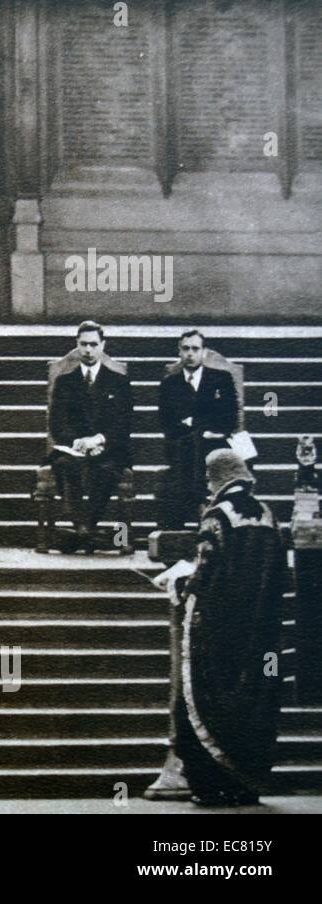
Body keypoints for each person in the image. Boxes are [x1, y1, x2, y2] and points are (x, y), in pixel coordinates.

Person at [169, 450, 286, 806]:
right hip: (260, 630)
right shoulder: (268, 515)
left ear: (217, 477)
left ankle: (210, 784)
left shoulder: (216, 516)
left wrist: (180, 586)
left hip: (220, 631)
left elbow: (205, 571)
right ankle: (246, 781)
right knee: (253, 702)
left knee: (203, 699)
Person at [46, 321, 133, 552]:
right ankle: (85, 530)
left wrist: (98, 440)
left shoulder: (119, 381)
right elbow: (57, 423)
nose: (88, 350)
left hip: (107, 448)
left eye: (93, 344)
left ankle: (83, 530)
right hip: (72, 449)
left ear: (102, 345)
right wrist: (79, 443)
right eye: (83, 344)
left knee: (107, 470)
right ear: (77, 344)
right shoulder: (64, 382)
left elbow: (123, 424)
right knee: (66, 465)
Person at [157, 329, 238, 530]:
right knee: (189, 447)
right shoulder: (169, 384)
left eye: (195, 349)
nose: (190, 354)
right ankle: (199, 507)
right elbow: (166, 423)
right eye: (185, 349)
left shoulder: (221, 379)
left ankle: (196, 508)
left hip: (215, 446)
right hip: (180, 447)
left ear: (204, 351)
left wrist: (193, 423)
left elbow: (229, 418)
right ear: (179, 352)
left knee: (196, 447)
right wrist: (203, 427)